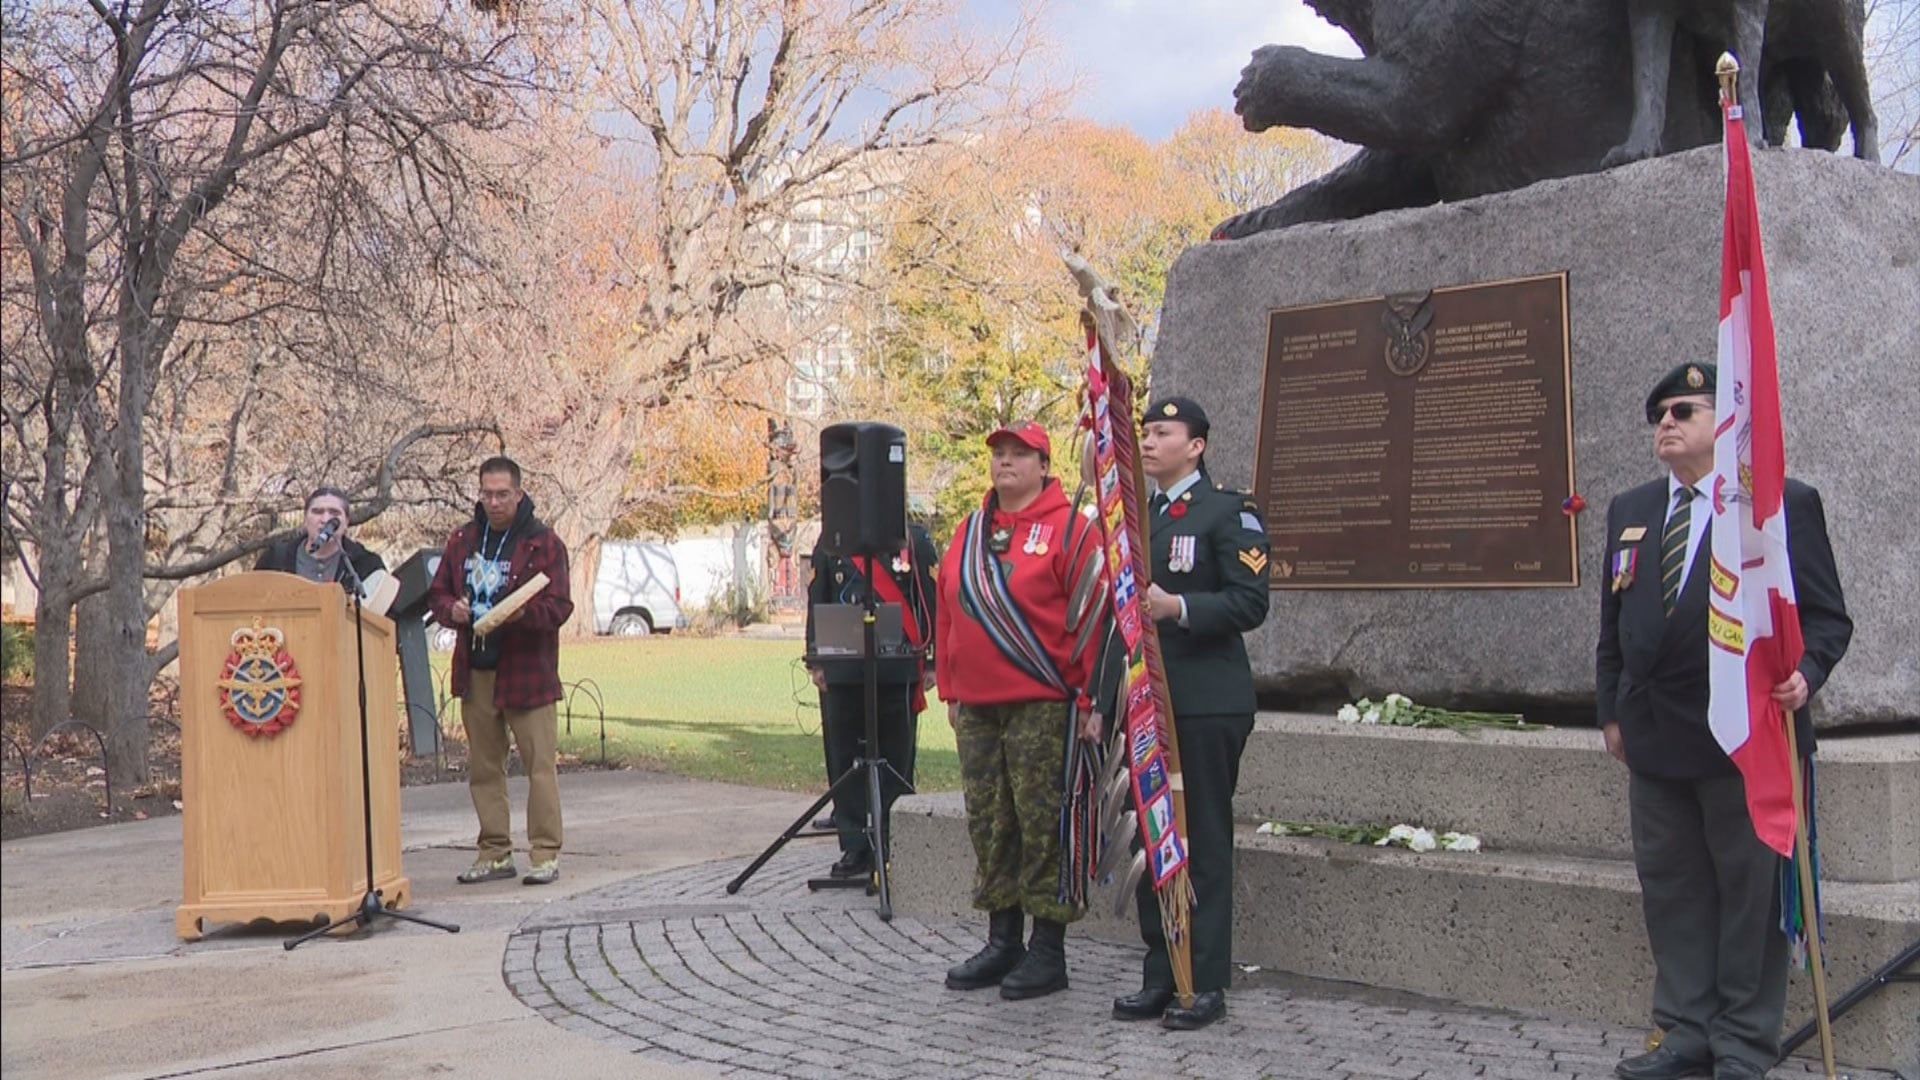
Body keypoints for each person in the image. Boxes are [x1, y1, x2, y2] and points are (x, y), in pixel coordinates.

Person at [1597, 362, 1851, 1080]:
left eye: (1683, 409)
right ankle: (1685, 1030)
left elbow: (1827, 618)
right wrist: (1610, 709)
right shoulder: (1632, 509)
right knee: (1673, 890)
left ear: (1723, 421)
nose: (1666, 424)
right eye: (1658, 416)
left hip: (1745, 737)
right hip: (1654, 738)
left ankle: (1742, 1043)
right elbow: (1615, 626)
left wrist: (1809, 673)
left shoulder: (1775, 505)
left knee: (1748, 898)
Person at [1111, 395, 1271, 1032]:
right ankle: (1161, 972)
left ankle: (1202, 980)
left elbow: (1250, 602)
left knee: (1198, 838)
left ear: (1196, 445)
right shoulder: (1137, 520)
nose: (1147, 442)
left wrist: (1177, 608)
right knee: (1155, 838)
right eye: (1144, 432)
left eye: (1162, 432)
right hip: (1148, 703)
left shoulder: (1227, 512)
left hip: (1205, 703)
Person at [937, 420, 1103, 1001]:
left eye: (1018, 454)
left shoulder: (1072, 531)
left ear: (1043, 464)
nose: (1005, 462)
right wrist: (951, 690)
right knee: (990, 821)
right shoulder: (970, 530)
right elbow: (949, 611)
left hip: (1044, 704)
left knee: (1042, 823)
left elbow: (1093, 623)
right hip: (978, 708)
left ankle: (1048, 949)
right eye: (998, 453)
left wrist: (1089, 701)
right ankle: (1002, 937)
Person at [427, 456, 575, 887]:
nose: (494, 502)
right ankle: (494, 853)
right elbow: (438, 594)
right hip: (476, 669)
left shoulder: (543, 543)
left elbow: (560, 606)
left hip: (527, 672)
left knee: (539, 767)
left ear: (519, 494)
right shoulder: (462, 540)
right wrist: (451, 610)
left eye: (503, 494)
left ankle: (545, 854)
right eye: (487, 493)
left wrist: (520, 614)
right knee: (485, 768)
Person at [803, 521, 938, 881]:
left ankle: (893, 844)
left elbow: (928, 597)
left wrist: (932, 661)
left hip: (897, 667)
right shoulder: (833, 536)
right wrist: (816, 658)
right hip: (842, 665)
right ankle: (855, 845)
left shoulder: (913, 537)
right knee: (844, 756)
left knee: (896, 758)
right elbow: (819, 595)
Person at [255, 486, 386, 589]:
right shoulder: (275, 559)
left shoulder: (367, 564)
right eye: (317, 512)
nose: (325, 519)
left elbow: (386, 617)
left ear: (346, 522)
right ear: (305, 519)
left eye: (334, 513)